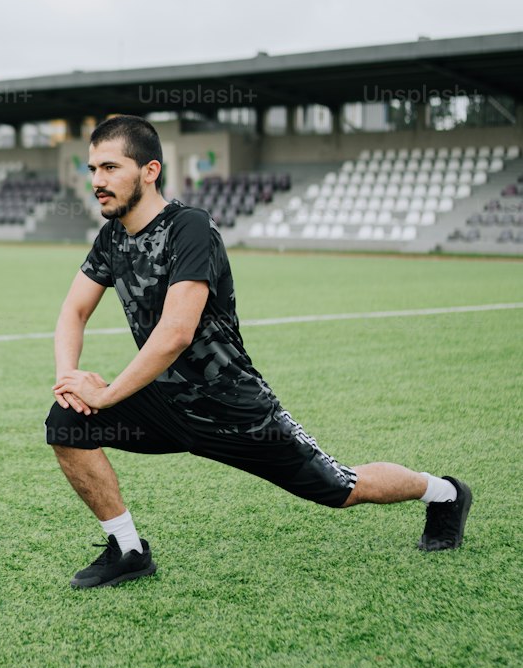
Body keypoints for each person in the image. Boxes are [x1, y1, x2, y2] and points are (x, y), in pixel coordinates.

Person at [46, 115, 474, 589]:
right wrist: (70, 380)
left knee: (341, 489)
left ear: (149, 171)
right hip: (164, 403)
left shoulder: (190, 227)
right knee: (66, 422)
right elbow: (74, 310)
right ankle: (128, 550)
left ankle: (445, 492)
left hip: (234, 408)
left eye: (110, 167)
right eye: (92, 170)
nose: (98, 182)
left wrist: (106, 395)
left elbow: (175, 334)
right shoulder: (111, 238)